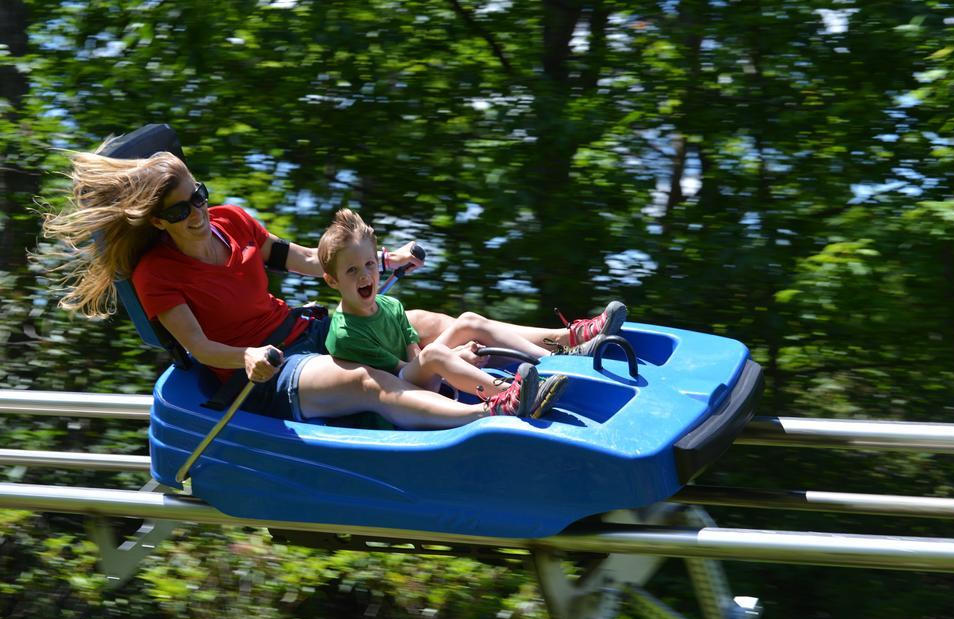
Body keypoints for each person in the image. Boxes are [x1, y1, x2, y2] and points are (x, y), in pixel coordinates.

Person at [37, 145, 609, 428]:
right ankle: (493, 411)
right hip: (262, 369)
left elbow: (308, 259)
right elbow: (199, 348)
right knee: (367, 379)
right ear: (158, 220)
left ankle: (568, 340)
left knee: (431, 322)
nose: (198, 211)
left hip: (302, 326)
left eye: (199, 194)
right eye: (182, 207)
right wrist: (249, 356)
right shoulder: (157, 275)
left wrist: (381, 261)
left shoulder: (232, 221)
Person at [317, 208, 570, 418]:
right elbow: (397, 373)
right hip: (399, 394)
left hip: (412, 373)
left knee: (468, 321)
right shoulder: (344, 334)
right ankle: (516, 394)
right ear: (332, 280)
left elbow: (413, 351)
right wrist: (454, 356)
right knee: (436, 354)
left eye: (370, 264)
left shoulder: (390, 306)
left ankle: (557, 357)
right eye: (351, 270)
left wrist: (448, 358)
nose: (364, 275)